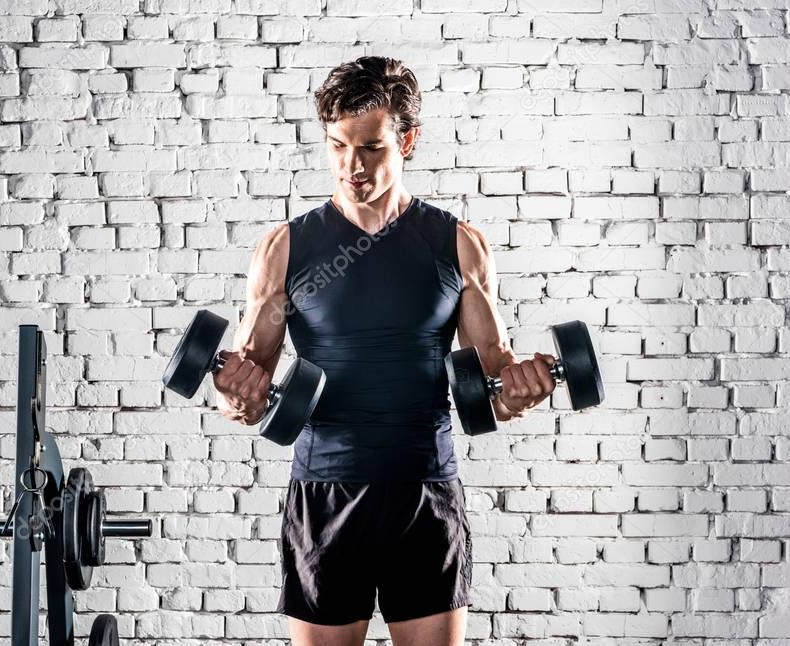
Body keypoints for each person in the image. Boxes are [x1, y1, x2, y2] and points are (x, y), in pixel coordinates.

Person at [212, 56, 557, 646]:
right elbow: (247, 390)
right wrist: (235, 396)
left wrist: (525, 389)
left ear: (408, 139)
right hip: (323, 495)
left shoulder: (457, 245)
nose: (353, 166)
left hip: (424, 493)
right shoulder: (285, 249)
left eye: (371, 146)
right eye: (338, 146)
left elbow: (494, 387)